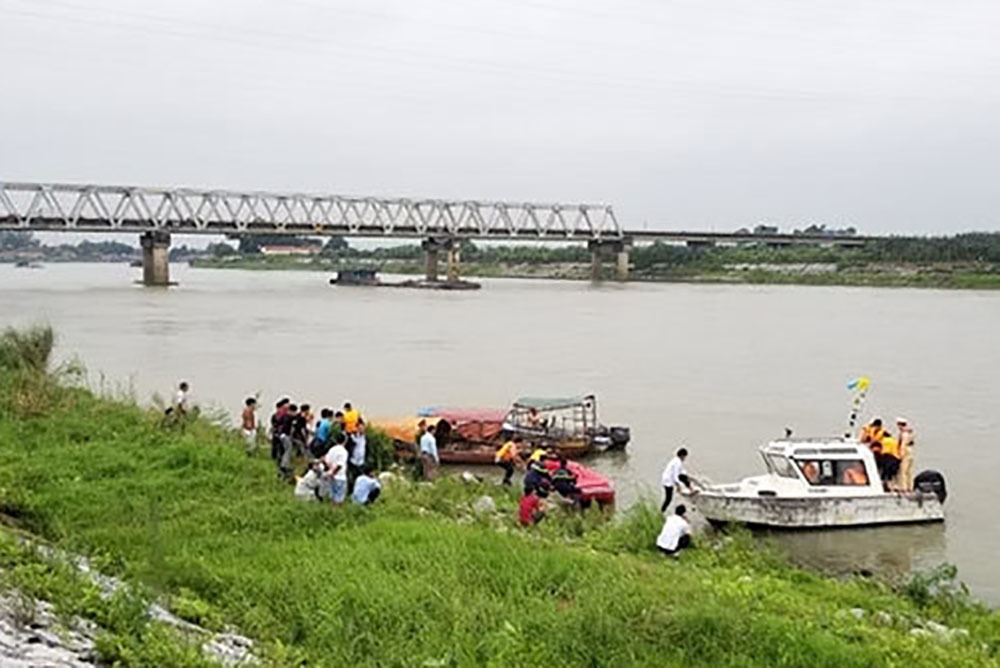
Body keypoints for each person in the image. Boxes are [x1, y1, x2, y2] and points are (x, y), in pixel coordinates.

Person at [660, 448, 693, 512]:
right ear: (682, 455)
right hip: (668, 481)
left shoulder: (676, 461)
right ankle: (662, 511)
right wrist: (678, 486)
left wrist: (687, 476)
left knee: (683, 477)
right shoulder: (677, 462)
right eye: (685, 457)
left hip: (667, 480)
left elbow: (681, 471)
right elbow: (675, 475)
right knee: (668, 498)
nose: (685, 459)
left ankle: (690, 488)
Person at [324, 436, 349, 504]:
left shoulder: (332, 449)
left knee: (332, 496)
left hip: (331, 476)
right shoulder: (344, 451)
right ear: (345, 441)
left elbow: (326, 460)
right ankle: (336, 512)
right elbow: (340, 465)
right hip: (340, 476)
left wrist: (330, 470)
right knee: (339, 498)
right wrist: (333, 472)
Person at [895, 417, 916, 493]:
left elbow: (903, 444)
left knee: (903, 470)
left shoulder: (904, 434)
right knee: (909, 471)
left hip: (906, 451)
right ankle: (910, 487)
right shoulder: (910, 432)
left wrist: (900, 454)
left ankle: (903, 488)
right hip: (911, 451)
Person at [348, 420, 367, 490]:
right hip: (353, 461)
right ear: (357, 428)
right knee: (353, 479)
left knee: (361, 479)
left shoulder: (364, 437)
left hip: (361, 461)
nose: (362, 429)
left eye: (363, 428)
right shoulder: (353, 436)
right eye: (360, 428)